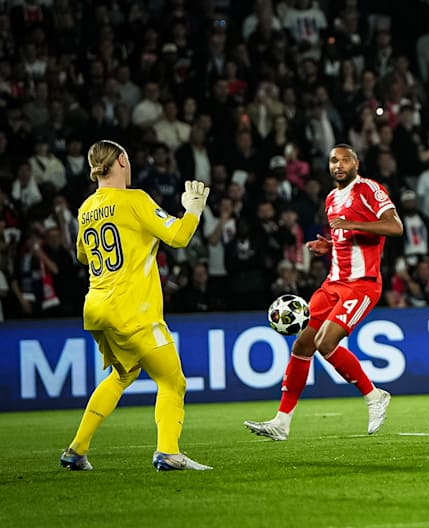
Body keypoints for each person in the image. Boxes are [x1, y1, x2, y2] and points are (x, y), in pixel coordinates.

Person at [60, 140, 212, 471]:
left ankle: (76, 450)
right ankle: (168, 452)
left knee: (123, 374)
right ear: (122, 161)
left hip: (97, 308)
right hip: (133, 310)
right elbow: (179, 237)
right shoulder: (135, 200)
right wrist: (194, 208)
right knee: (173, 383)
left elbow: (83, 255)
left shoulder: (86, 208)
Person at [244, 145, 403, 440]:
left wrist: (353, 223)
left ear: (356, 163)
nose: (339, 165)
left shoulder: (368, 189)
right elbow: (347, 239)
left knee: (325, 341)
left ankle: (374, 396)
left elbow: (395, 227)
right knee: (302, 346)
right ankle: (281, 422)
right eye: (334, 160)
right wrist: (329, 247)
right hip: (333, 283)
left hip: (362, 283)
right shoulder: (331, 198)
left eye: (345, 160)